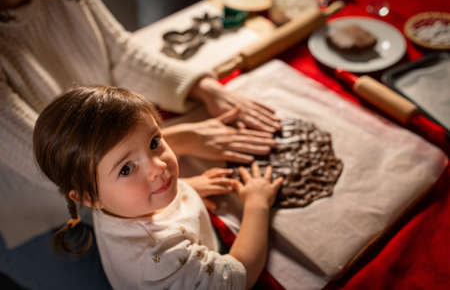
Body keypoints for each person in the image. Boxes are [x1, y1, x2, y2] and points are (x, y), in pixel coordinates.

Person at [0, 0, 280, 244]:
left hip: (108, 166)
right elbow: (52, 162)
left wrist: (203, 89)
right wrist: (174, 142)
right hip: (48, 209)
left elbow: (120, 54)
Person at [33, 85, 284, 290]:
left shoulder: (109, 201)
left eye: (154, 142)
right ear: (88, 197)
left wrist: (186, 188)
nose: (159, 166)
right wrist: (256, 205)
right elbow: (239, 276)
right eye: (126, 169)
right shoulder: (164, 257)